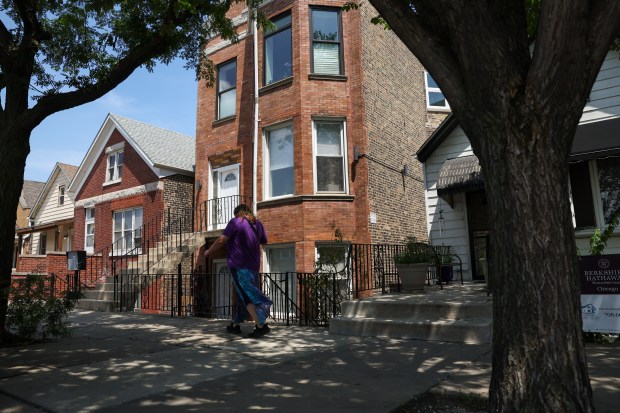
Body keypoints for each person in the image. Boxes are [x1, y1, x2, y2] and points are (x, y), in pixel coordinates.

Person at [204, 204, 272, 338]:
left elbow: (222, 239)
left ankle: (261, 326)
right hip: (254, 266)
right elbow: (263, 243)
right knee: (243, 295)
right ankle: (236, 324)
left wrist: (209, 251)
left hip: (239, 265)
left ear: (238, 213)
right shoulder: (258, 224)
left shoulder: (236, 221)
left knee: (246, 295)